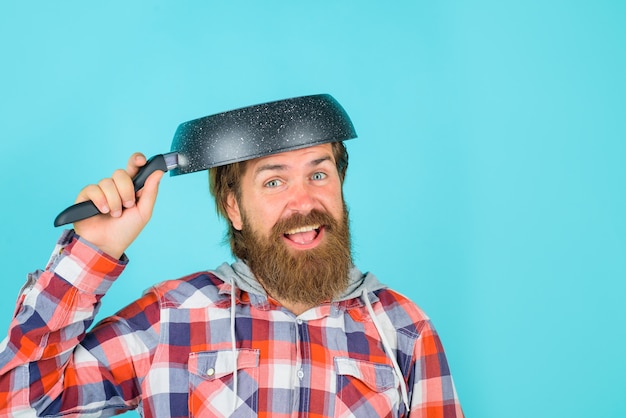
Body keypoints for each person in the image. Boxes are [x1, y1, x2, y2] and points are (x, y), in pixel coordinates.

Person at [0, 98, 464, 417]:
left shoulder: (404, 330)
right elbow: (19, 405)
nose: (304, 202)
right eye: (274, 181)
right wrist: (93, 250)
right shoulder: (171, 318)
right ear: (233, 207)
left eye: (318, 174)